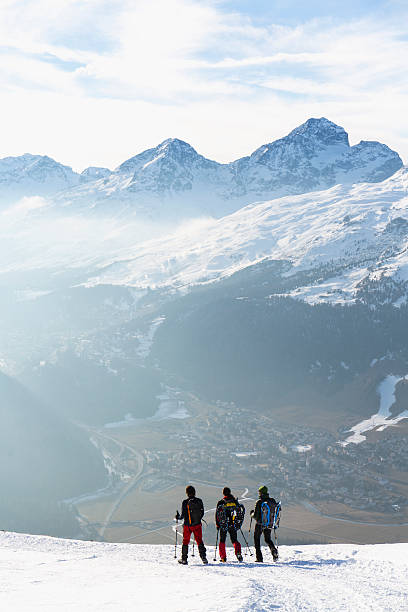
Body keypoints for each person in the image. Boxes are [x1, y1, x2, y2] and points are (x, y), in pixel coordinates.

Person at [175, 485, 208, 565]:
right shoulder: (199, 501)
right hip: (197, 524)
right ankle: (203, 558)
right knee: (199, 541)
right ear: (194, 492)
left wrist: (178, 517)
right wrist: (198, 520)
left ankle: (184, 559)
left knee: (185, 541)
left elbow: (182, 516)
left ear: (187, 493)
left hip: (187, 526)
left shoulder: (185, 502)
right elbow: (202, 513)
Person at [250, 485, 279, 562]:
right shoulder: (272, 501)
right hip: (269, 524)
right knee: (268, 539)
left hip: (259, 524)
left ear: (260, 493)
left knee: (257, 539)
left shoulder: (259, 502)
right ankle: (273, 550)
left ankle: (259, 558)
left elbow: (256, 516)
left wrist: (251, 514)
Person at [215, 486, 243, 563]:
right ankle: (238, 553)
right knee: (234, 540)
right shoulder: (234, 501)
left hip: (223, 524)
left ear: (223, 493)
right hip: (232, 523)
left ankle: (223, 557)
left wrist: (218, 524)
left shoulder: (221, 502)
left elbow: (217, 514)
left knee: (222, 540)